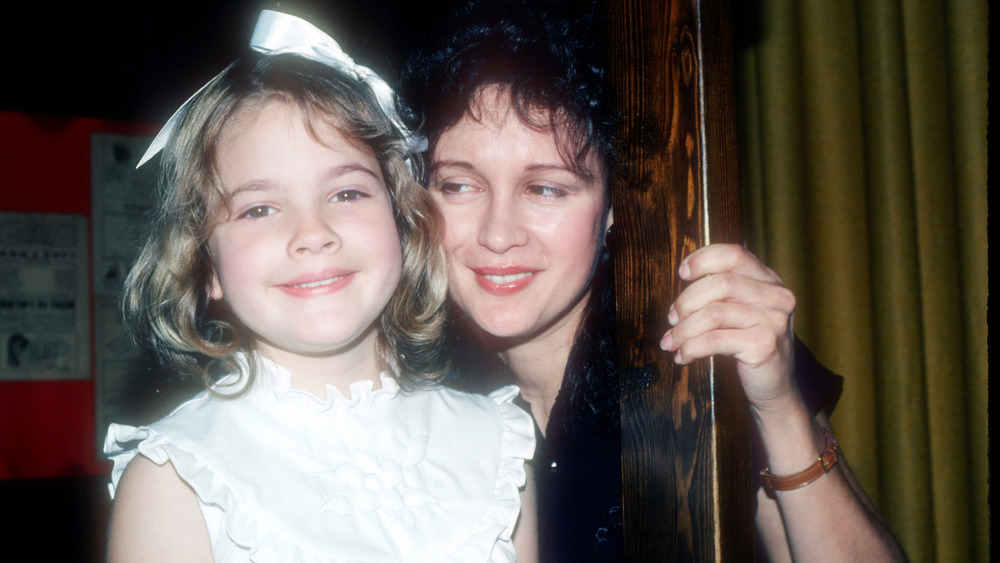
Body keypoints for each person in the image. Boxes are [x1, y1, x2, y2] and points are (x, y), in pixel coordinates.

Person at [401, 1, 906, 561]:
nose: (498, 234)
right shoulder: (398, 381)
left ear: (615, 206)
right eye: (458, 186)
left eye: (546, 189)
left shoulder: (699, 339)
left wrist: (779, 405)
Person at [103, 11, 536, 562]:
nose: (312, 234)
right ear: (204, 263)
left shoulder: (500, 443)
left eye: (347, 194)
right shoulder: (177, 476)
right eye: (259, 208)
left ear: (403, 220)